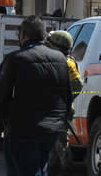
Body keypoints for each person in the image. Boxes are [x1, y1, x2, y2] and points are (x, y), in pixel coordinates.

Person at [0, 16, 72, 176]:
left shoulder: (16, 59)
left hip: (23, 129)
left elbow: (0, 94)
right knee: (40, 169)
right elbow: (67, 95)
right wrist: (61, 122)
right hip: (52, 130)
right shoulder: (61, 59)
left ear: (24, 36)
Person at [45, 30, 83, 174]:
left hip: (59, 112)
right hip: (50, 111)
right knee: (51, 149)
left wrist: (61, 100)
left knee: (61, 149)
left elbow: (78, 85)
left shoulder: (68, 63)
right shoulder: (53, 59)